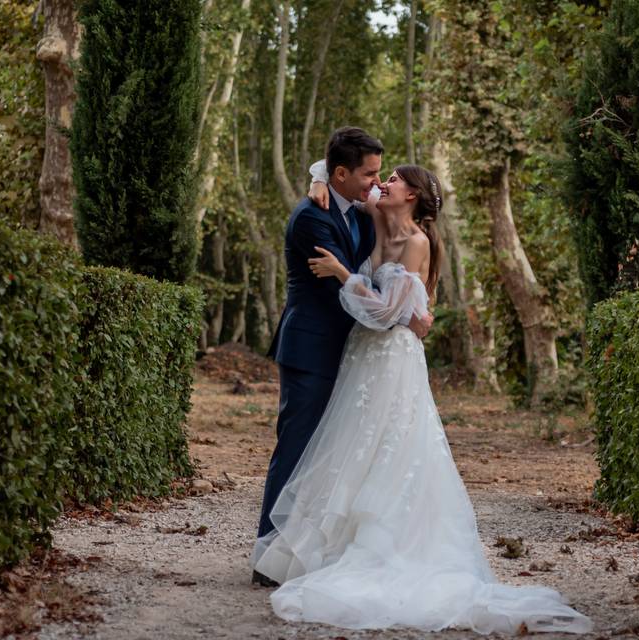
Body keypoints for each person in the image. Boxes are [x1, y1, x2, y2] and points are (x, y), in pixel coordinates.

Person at [250, 162, 593, 634]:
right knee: (351, 448)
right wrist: (316, 180)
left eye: (392, 179)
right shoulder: (376, 216)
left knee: (392, 448)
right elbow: (336, 169)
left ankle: (385, 548)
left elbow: (389, 314)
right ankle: (322, 549)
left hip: (391, 358)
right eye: (381, 177)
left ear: (411, 196)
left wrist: (342, 273)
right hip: (362, 358)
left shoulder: (415, 242)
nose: (381, 184)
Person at [254, 127, 432, 587]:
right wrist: (402, 313)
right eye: (371, 174)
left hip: (360, 355)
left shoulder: (366, 212)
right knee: (297, 449)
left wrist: (408, 309)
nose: (377, 182)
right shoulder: (316, 216)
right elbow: (359, 289)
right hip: (313, 347)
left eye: (383, 175)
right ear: (340, 174)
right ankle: (268, 555)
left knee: (345, 453)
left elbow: (382, 297)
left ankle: (327, 550)